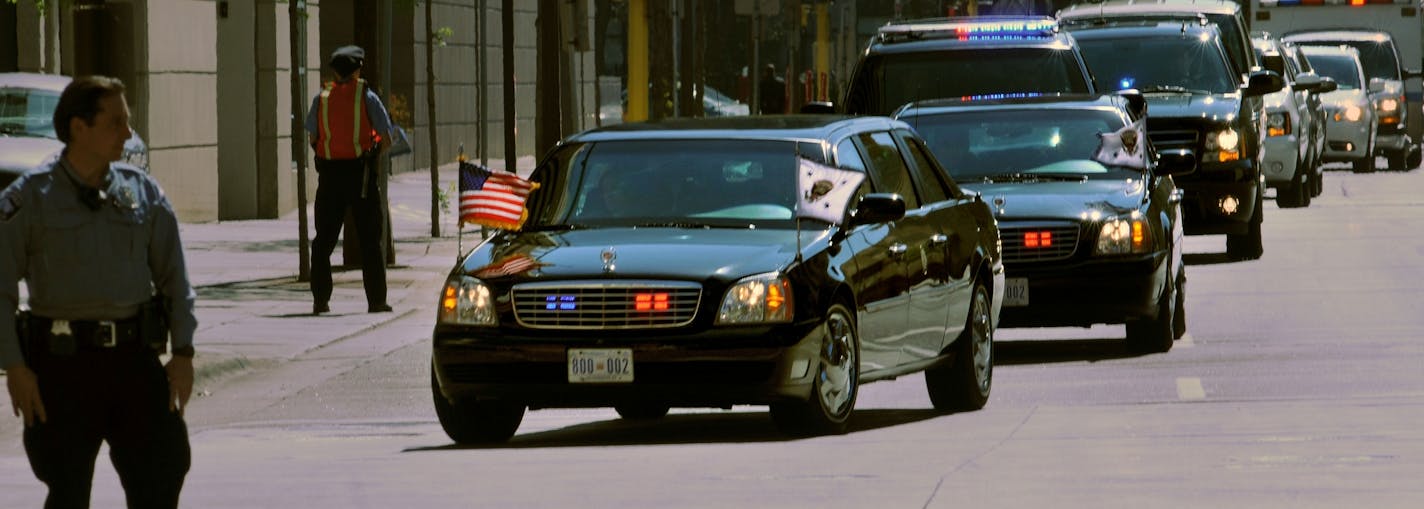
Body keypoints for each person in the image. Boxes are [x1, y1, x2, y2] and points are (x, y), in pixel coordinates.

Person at [1, 75, 197, 508]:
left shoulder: (142, 192)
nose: (128, 134)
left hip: (133, 360)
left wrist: (183, 352)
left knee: (163, 469)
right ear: (78, 128)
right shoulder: (31, 198)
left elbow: (174, 279)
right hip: (62, 366)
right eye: (116, 122)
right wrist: (15, 367)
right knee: (67, 486)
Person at [305, 45, 396, 314]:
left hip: (329, 176)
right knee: (370, 238)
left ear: (334, 71)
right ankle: (376, 301)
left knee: (323, 240)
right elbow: (387, 137)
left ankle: (320, 300)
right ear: (358, 69)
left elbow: (312, 137)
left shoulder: (321, 98)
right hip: (362, 175)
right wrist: (373, 152)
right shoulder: (366, 96)